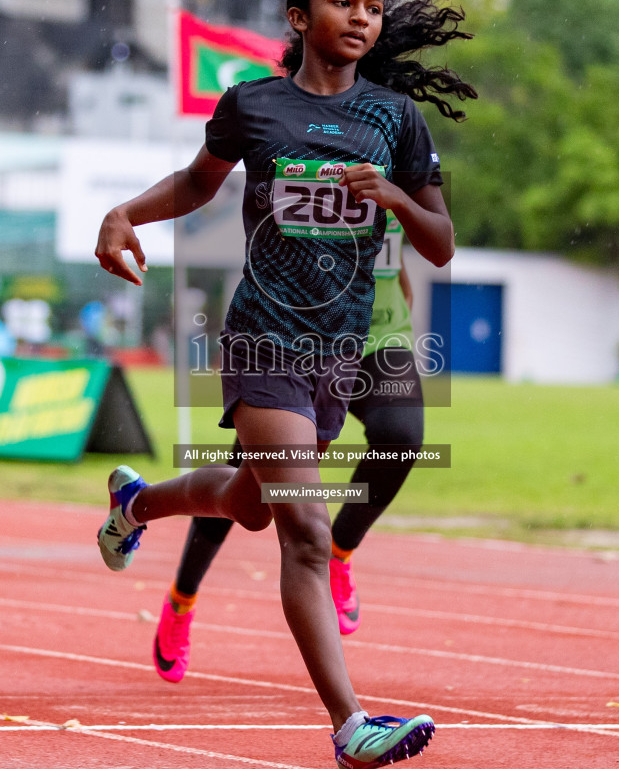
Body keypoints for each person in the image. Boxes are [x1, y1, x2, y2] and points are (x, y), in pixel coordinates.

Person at [93, 0, 473, 769]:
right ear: (300, 17)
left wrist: (397, 198)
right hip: (264, 339)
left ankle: (136, 502)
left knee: (249, 503)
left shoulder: (395, 119)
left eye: (373, 7)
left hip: (341, 352)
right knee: (303, 529)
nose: (363, 17)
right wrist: (126, 213)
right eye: (343, 2)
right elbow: (198, 185)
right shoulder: (254, 106)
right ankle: (350, 727)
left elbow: (439, 245)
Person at [153, 213, 424, 683]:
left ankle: (339, 552)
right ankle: (183, 597)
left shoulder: (398, 146)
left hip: (380, 338)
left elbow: (409, 245)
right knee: (248, 491)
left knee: (400, 436)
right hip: (303, 340)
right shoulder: (313, 149)